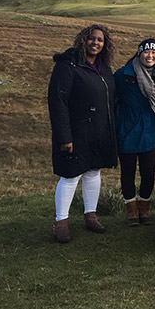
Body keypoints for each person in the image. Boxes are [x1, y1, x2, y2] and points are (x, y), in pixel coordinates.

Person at [47, 24, 117, 243]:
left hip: (99, 130)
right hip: (76, 131)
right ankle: (61, 222)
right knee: (71, 174)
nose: (95, 43)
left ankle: (91, 215)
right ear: (82, 40)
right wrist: (64, 137)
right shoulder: (67, 65)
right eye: (91, 39)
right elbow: (58, 102)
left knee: (93, 171)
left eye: (100, 40)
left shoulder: (104, 67)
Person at [114, 38, 155, 226]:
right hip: (127, 131)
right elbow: (113, 97)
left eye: (154, 52)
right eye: (146, 52)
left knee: (148, 173)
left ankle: (144, 209)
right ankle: (131, 211)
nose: (150, 56)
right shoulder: (123, 74)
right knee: (127, 173)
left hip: (149, 132)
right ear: (139, 53)